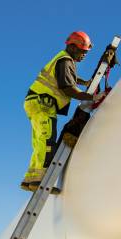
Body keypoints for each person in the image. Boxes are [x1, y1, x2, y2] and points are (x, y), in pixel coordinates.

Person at [21, 31, 96, 192]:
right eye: (83, 51)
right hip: (43, 104)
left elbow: (69, 78)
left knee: (40, 142)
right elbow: (68, 88)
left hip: (36, 102)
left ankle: (30, 179)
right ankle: (39, 182)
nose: (84, 55)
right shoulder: (65, 61)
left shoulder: (63, 60)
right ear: (73, 47)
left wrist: (84, 82)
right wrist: (92, 97)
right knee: (47, 142)